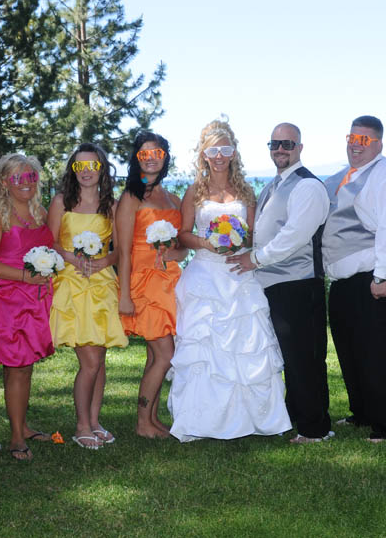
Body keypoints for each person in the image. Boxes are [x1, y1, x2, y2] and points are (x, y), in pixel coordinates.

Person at [168, 119, 291, 443]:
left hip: (239, 272)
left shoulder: (246, 190)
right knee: (204, 351)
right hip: (206, 273)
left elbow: (253, 233)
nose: (219, 156)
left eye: (225, 149)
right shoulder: (195, 191)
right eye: (213, 150)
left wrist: (239, 240)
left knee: (247, 345)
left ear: (233, 152)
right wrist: (207, 243)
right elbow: (183, 233)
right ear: (204, 154)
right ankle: (201, 420)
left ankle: (256, 419)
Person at [227, 122, 332, 444]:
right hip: (274, 284)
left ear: (300, 147)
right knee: (289, 355)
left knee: (305, 357)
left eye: (287, 144)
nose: (280, 150)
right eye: (274, 144)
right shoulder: (273, 185)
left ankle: (315, 429)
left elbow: (294, 237)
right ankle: (297, 415)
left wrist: (254, 260)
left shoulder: (308, 186)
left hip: (298, 283)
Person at [322, 115, 386, 442]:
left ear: (378, 144)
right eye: (351, 138)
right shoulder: (343, 176)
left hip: (377, 280)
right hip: (344, 283)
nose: (354, 146)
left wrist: (382, 275)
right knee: (352, 352)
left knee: (382, 356)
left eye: (363, 141)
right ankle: (363, 412)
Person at [0, 153, 56, 461]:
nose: (25, 183)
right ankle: (17, 437)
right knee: (17, 368)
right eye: (18, 177)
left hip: (35, 301)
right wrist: (24, 276)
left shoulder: (40, 212)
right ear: (5, 182)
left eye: (31, 177)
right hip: (9, 302)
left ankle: (22, 425)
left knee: (25, 368)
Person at [49, 143, 128, 449]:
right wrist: (72, 257)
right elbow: (51, 243)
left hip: (102, 282)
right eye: (80, 167)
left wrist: (102, 262)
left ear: (101, 169)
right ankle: (81, 424)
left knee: (100, 359)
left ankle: (95, 421)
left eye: (92, 166)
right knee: (90, 361)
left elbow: (119, 249)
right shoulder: (61, 202)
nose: (86, 172)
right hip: (72, 284)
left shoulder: (112, 204)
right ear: (73, 170)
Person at [116, 131, 186, 439]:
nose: (152, 158)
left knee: (155, 355)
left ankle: (152, 419)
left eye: (157, 152)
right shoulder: (132, 196)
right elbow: (122, 249)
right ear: (136, 158)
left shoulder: (173, 198)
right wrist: (124, 294)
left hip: (169, 279)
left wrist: (173, 253)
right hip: (142, 282)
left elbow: (184, 246)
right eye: (144, 154)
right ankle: (143, 422)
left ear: (165, 157)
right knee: (165, 353)